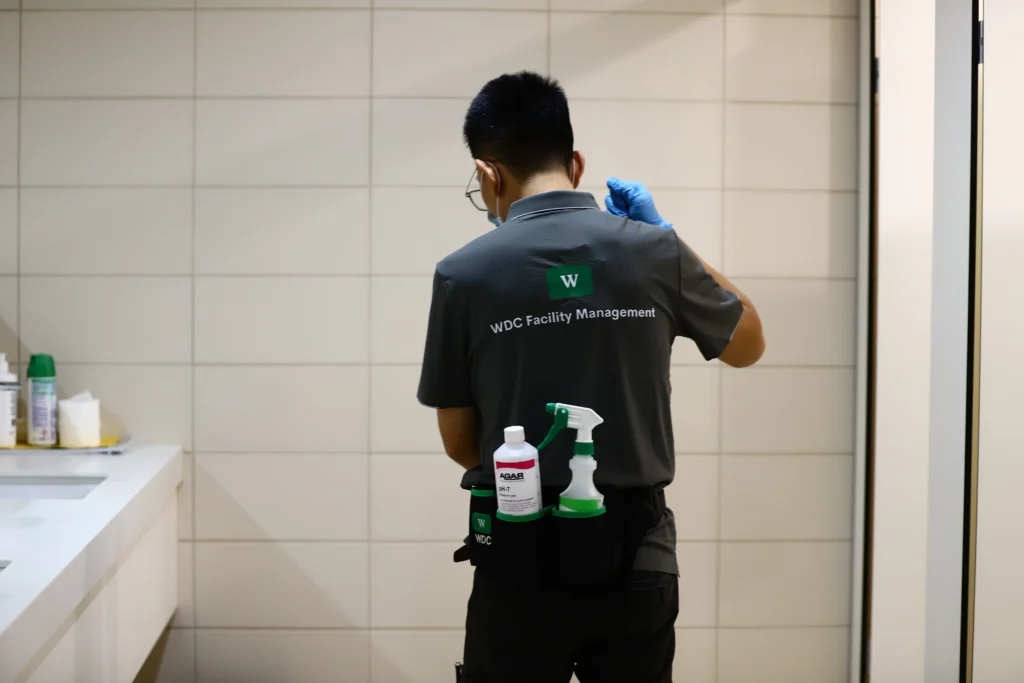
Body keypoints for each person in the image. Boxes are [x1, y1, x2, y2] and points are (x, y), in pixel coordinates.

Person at [417, 71, 765, 683]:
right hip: (638, 562)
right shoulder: (654, 252)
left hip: (519, 561)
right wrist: (667, 240)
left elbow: (461, 445)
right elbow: (748, 345)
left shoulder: (462, 276)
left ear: (488, 173)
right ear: (576, 162)